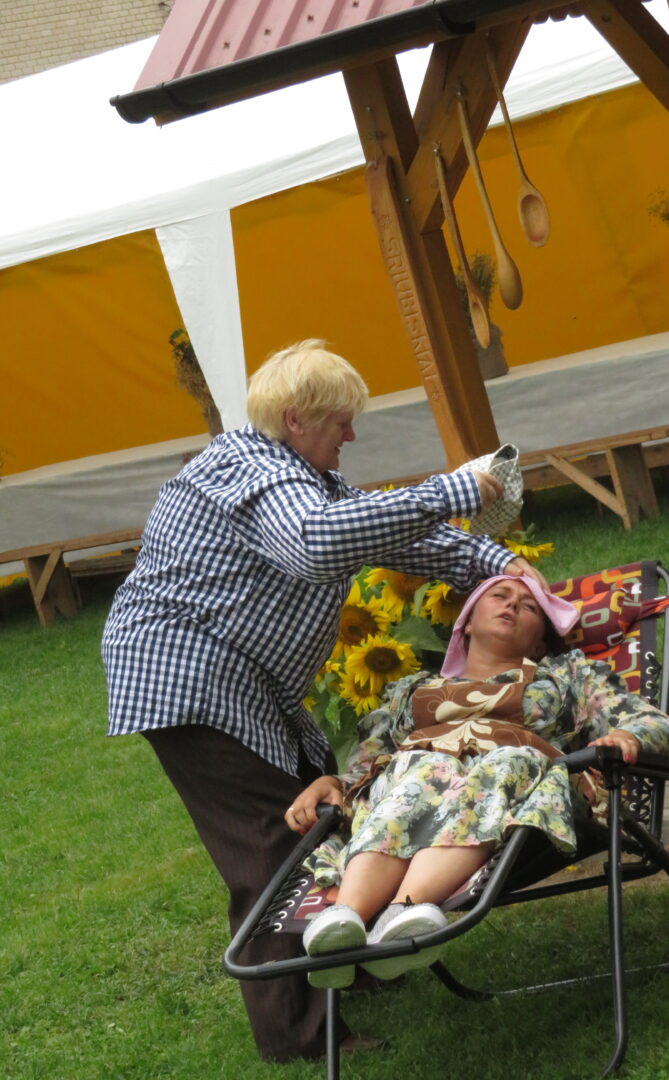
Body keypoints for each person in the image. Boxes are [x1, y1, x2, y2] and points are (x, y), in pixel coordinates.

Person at [101, 339, 544, 1063]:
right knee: (273, 839)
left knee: (332, 806)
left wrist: (503, 568)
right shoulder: (248, 469)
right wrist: (457, 489)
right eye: (342, 421)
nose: (353, 435)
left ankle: (348, 960)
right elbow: (316, 544)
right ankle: (299, 1035)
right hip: (191, 677)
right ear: (296, 419)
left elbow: (401, 539)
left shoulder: (307, 479)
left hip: (243, 682)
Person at [286, 574, 669, 986]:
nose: (512, 605)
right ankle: (345, 918)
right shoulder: (411, 691)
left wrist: (628, 736)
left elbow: (653, 723)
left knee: (506, 760)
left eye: (529, 606)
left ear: (540, 644)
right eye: (499, 595)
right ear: (467, 624)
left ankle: (405, 911)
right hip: (413, 786)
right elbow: (367, 764)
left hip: (518, 788)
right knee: (418, 769)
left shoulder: (567, 676)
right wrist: (335, 784)